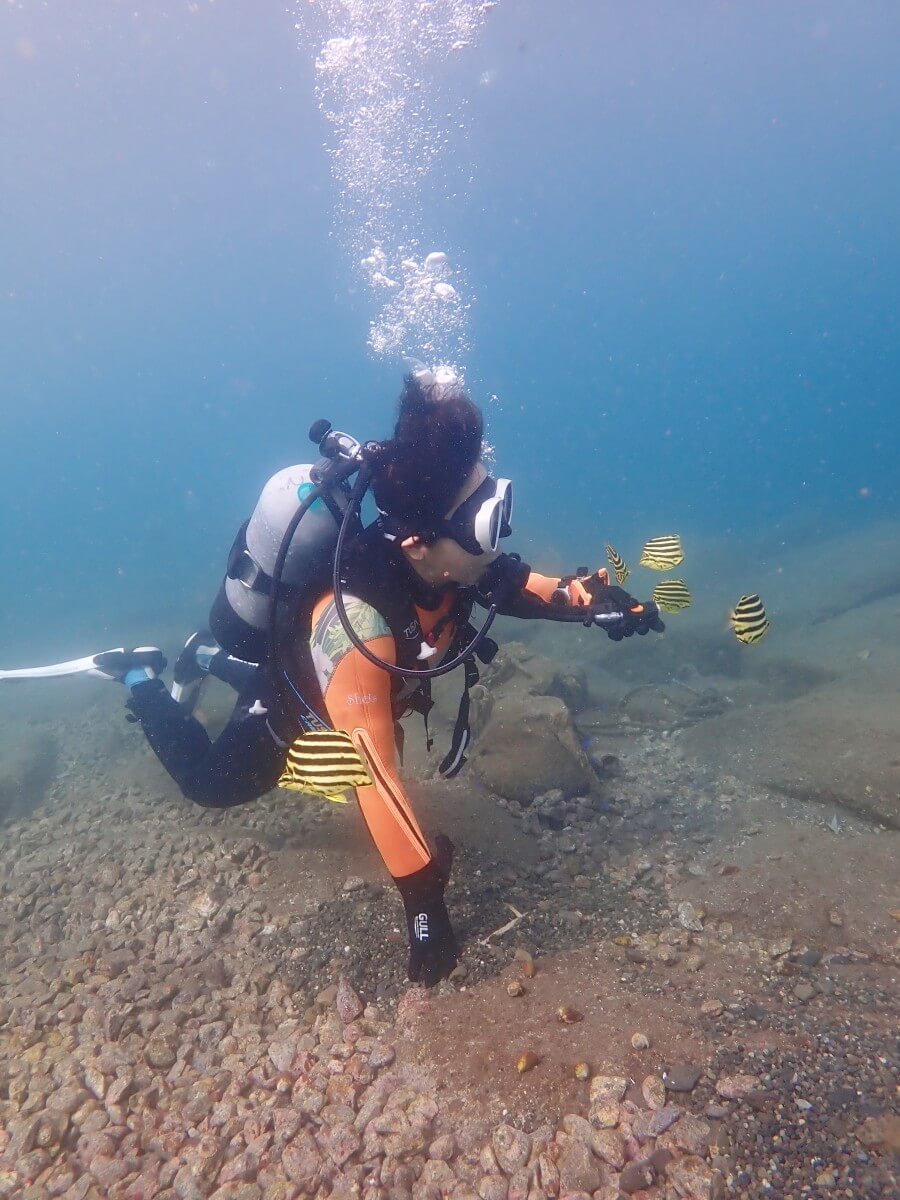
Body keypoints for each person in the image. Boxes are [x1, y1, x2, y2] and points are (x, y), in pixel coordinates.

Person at [97, 374, 663, 985]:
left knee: (297, 694)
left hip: (356, 686)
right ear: (418, 543)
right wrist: (424, 903)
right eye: (483, 521)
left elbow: (520, 584)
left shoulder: (456, 564)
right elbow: (371, 772)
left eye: (493, 504)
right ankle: (140, 678)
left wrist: (596, 601)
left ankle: (208, 659)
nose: (498, 536)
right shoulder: (357, 624)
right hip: (303, 709)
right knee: (210, 785)